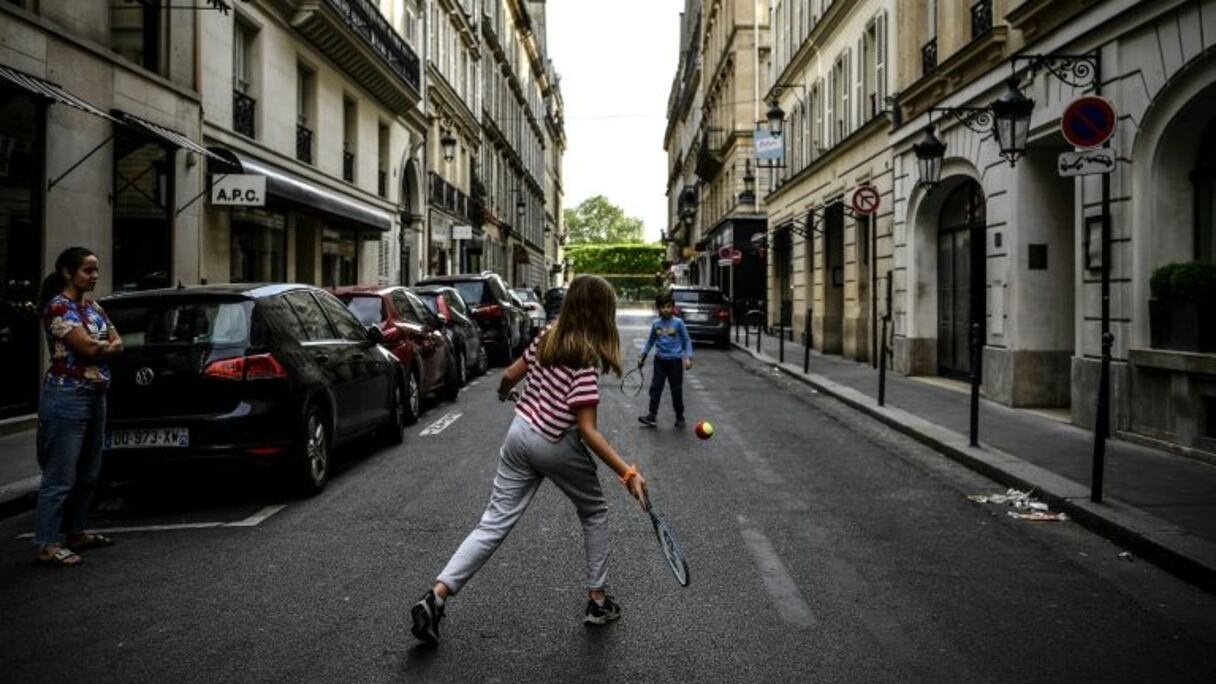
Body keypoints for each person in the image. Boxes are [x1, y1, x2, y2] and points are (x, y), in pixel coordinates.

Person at [410, 275, 648, 646]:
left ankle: (437, 595)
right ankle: (598, 602)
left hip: (519, 434)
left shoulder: (547, 336)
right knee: (595, 512)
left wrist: (508, 393)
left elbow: (508, 377)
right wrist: (627, 473)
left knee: (492, 523)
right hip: (555, 441)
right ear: (602, 312)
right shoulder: (584, 357)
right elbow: (588, 431)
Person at [32, 247, 124, 567]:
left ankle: (76, 532)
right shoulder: (59, 307)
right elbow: (87, 347)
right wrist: (101, 347)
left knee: (88, 472)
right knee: (60, 475)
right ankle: (46, 543)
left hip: (96, 393)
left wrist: (101, 348)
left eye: (96, 270)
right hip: (67, 397)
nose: (95, 276)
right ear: (68, 273)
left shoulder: (92, 306)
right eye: (87, 270)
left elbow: (118, 342)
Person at [637, 292, 693, 429]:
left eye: (668, 306)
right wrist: (642, 356)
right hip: (660, 361)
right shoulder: (656, 324)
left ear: (672, 307)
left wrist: (688, 358)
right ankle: (652, 416)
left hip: (675, 362)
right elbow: (650, 341)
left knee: (676, 390)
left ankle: (680, 417)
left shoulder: (678, 323)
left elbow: (687, 340)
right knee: (656, 388)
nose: (666, 309)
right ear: (658, 309)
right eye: (663, 307)